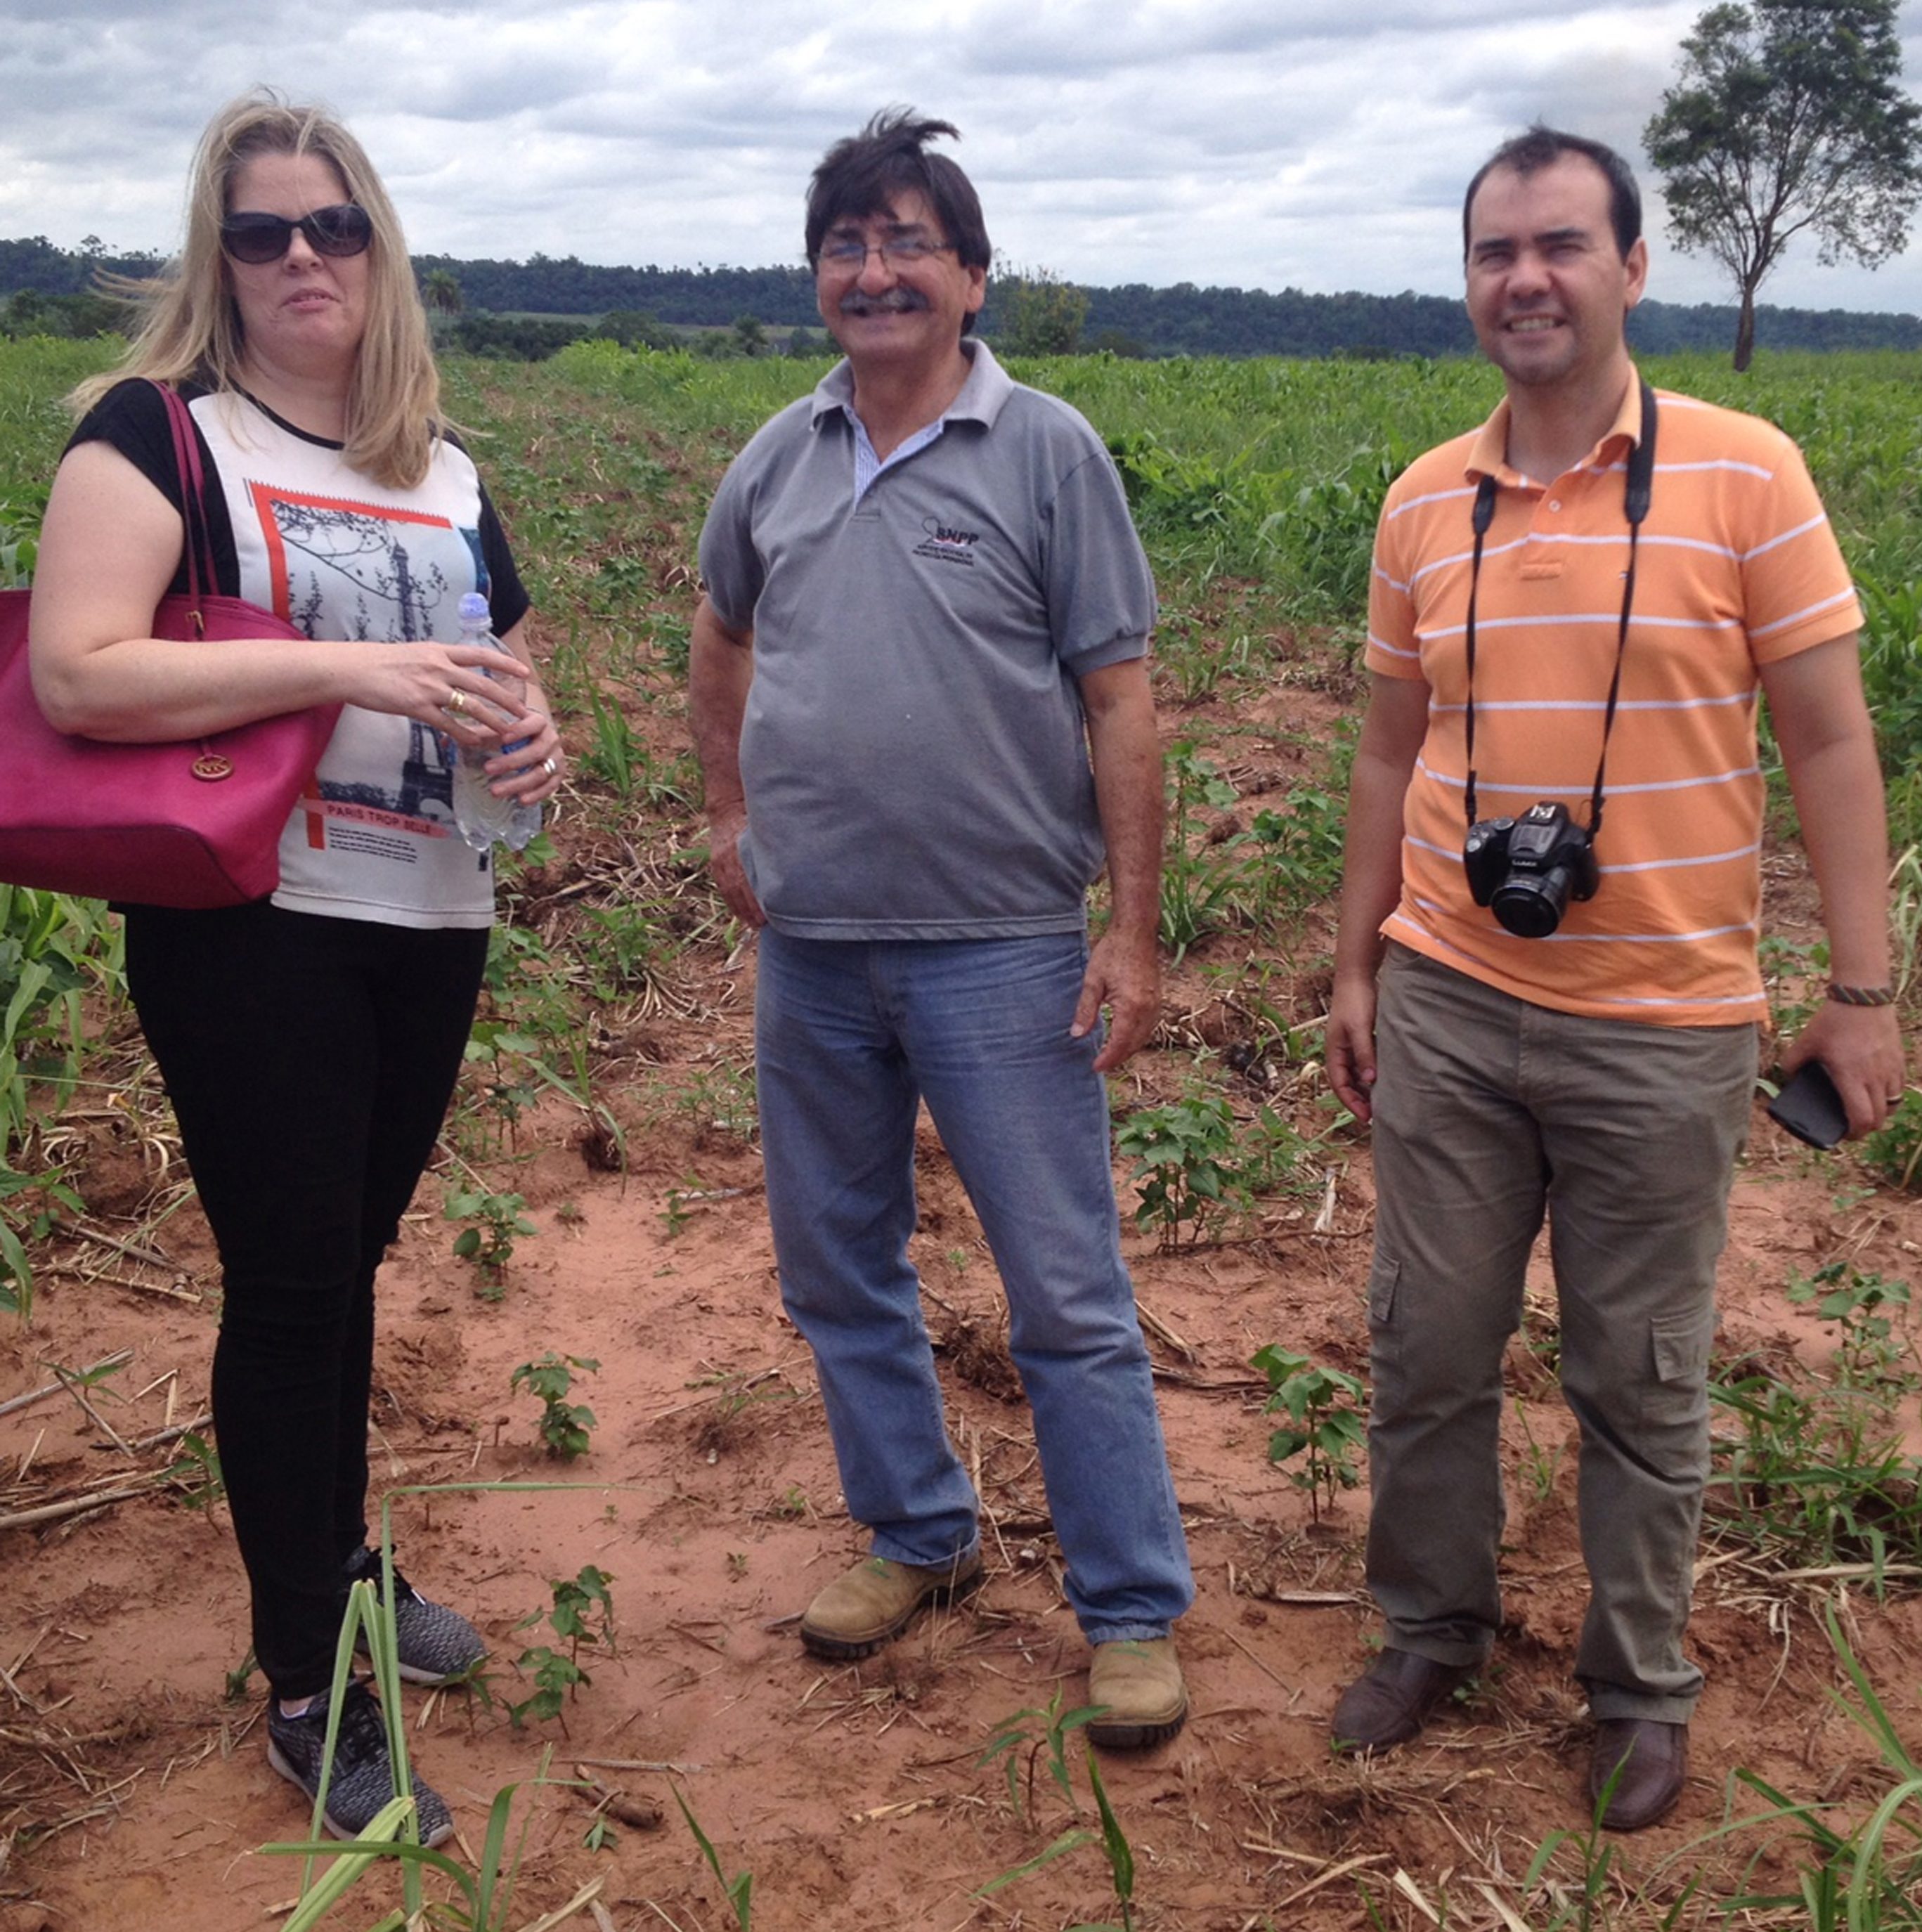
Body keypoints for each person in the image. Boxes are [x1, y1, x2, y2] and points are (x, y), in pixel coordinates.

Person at [1324, 124, 1905, 1830]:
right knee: (1427, 1342)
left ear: (1633, 267)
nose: (1528, 277)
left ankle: (1639, 1685)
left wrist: (1861, 991)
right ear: (1469, 281)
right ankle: (1432, 1627)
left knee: (1640, 1371)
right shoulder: (1428, 496)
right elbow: (1382, 754)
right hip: (1448, 997)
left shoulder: (1745, 472)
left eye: (1563, 244)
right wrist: (1353, 966)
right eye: (1497, 250)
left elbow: (1829, 738)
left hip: (1665, 1022)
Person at [28, 91, 564, 1843]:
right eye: (261, 232)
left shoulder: (447, 467)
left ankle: (337, 1557)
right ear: (222, 257)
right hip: (251, 919)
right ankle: (303, 1680)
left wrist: (529, 740)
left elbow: (501, 676)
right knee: (293, 1283)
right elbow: (82, 678)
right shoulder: (158, 431)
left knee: (355, 1258)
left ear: (377, 245)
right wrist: (349, 674)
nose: (300, 257)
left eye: (330, 225)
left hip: (430, 914)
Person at [690, 109, 1194, 1746]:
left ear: (973, 277)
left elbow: (1121, 703)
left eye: (910, 240)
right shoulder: (779, 454)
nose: (875, 267)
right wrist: (722, 818)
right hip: (817, 950)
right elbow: (719, 639)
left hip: (1003, 950)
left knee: (1063, 1286)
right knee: (839, 1266)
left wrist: (1131, 929)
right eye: (847, 242)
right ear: (817, 279)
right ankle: (918, 1531)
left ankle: (1127, 1607)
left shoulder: (1046, 449)